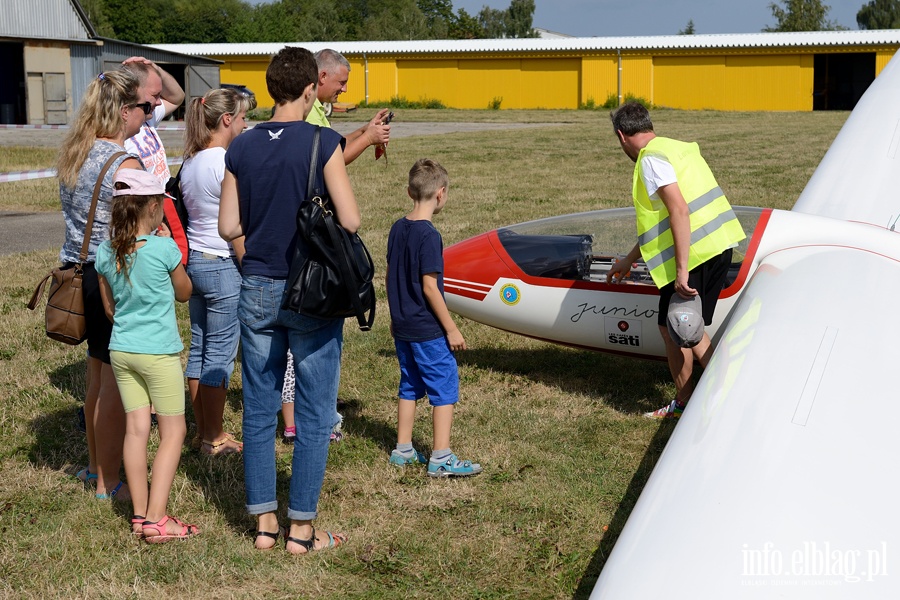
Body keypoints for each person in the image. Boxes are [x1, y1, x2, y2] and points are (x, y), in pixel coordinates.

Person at [219, 46, 355, 554]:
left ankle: (263, 525)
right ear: (308, 88)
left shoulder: (243, 146)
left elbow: (228, 225)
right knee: (316, 412)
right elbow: (351, 219)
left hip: (255, 283)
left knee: (257, 408)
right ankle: (301, 528)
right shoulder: (323, 141)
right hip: (310, 290)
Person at [279, 48, 394, 444]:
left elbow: (337, 144)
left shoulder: (316, 112)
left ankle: (313, 409)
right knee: (313, 326)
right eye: (341, 81)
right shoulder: (310, 115)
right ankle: (315, 416)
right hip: (313, 235)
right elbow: (334, 157)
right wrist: (368, 139)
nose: (344, 88)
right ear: (320, 78)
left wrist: (366, 130)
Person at [606, 102, 745, 418]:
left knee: (681, 328)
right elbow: (661, 223)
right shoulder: (678, 149)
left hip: (693, 256)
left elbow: (679, 210)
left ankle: (710, 399)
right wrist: (629, 258)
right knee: (677, 328)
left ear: (621, 136)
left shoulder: (650, 160)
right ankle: (712, 395)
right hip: (717, 245)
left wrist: (681, 270)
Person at [58, 69, 147, 500]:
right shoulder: (124, 163)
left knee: (96, 375)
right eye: (144, 108)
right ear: (124, 112)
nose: (147, 115)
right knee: (114, 383)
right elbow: (142, 229)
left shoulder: (78, 153)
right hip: (112, 278)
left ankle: (97, 469)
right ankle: (111, 481)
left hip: (79, 272)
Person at [95, 169, 198, 542]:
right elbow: (184, 293)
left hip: (122, 350)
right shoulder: (163, 249)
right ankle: (158, 518)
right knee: (174, 431)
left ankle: (139, 515)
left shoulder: (105, 253)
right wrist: (170, 249)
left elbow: (109, 309)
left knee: (136, 429)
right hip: (159, 354)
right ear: (153, 207)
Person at [386, 159, 483, 478]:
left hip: (403, 325)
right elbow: (430, 287)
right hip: (427, 329)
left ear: (409, 191)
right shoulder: (429, 235)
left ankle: (403, 450)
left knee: (410, 383)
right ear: (440, 194)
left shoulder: (397, 227)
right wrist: (451, 328)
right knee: (444, 386)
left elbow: (388, 275)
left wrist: (395, 314)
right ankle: (441, 457)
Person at [181, 88, 253, 456]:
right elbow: (235, 223)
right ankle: (214, 436)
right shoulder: (224, 161)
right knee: (220, 357)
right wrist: (250, 266)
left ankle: (202, 431)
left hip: (194, 263)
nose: (245, 124)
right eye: (242, 118)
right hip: (223, 264)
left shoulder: (190, 161)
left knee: (199, 350)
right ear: (226, 120)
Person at [121, 57, 185, 185]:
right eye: (155, 95)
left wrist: (157, 70)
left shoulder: (148, 115)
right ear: (134, 91)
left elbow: (177, 97)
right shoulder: (117, 134)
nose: (159, 101)